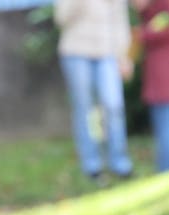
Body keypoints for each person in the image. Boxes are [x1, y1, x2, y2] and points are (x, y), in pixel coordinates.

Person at [54, 0, 133, 181]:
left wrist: (124, 56)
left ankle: (120, 163)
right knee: (84, 109)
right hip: (76, 52)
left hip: (107, 53)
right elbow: (61, 18)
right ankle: (92, 165)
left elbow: (120, 20)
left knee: (113, 105)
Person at [137, 0, 169, 172]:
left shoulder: (166, 5)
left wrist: (141, 34)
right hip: (166, 69)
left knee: (167, 122)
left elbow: (168, 25)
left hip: (166, 69)